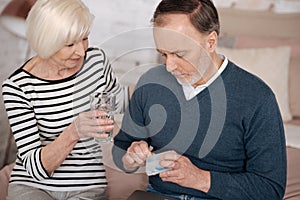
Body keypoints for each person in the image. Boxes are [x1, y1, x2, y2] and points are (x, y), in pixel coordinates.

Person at [112, 0, 287, 199]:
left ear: (210, 42)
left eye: (179, 54)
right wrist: (130, 157)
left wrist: (201, 179)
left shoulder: (257, 98)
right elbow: (121, 151)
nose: (169, 66)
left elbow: (271, 189)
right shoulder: (150, 84)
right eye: (163, 54)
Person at [2, 0, 127, 199]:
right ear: (46, 42)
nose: (81, 51)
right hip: (34, 186)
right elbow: (36, 169)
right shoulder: (17, 88)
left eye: (84, 38)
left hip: (88, 187)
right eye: (70, 44)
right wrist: (74, 131)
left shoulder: (97, 61)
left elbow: (117, 105)